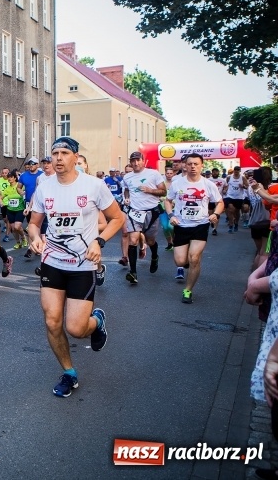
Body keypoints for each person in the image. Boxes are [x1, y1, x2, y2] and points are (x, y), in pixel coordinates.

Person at [28, 136, 125, 397]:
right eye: (54, 153)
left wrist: (99, 241)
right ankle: (69, 373)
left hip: (82, 265)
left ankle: (97, 321)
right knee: (52, 321)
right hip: (52, 263)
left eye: (64, 153)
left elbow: (118, 218)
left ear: (75, 157)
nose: (58, 158)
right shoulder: (44, 188)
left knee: (76, 328)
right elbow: (34, 223)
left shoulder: (94, 186)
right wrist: (36, 237)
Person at [164, 152, 223, 304]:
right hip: (181, 225)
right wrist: (171, 215)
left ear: (202, 166)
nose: (193, 167)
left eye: (196, 164)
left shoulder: (208, 185)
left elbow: (220, 202)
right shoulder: (177, 183)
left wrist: (215, 214)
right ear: (185, 165)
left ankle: (188, 290)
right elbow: (168, 201)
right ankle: (190, 263)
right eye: (190, 164)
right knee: (180, 261)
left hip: (200, 225)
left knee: (194, 258)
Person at [120, 151, 166, 284]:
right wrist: (127, 198)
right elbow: (127, 189)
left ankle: (155, 256)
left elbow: (163, 191)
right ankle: (133, 272)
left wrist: (150, 190)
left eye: (138, 160)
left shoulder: (153, 174)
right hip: (135, 212)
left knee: (151, 241)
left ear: (143, 160)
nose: (135, 163)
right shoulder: (127, 177)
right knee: (133, 240)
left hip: (151, 212)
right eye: (133, 161)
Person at [20, 157, 44, 259]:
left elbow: (37, 191)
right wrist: (22, 193)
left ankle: (39, 245)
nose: (31, 165)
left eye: (33, 164)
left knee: (41, 226)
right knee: (32, 225)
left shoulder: (42, 175)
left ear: (38, 165)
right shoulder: (24, 175)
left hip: (42, 204)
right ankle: (31, 247)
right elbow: (18, 187)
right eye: (30, 164)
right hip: (29, 203)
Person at [223, 166, 247, 232]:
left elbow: (247, 186)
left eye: (237, 170)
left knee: (237, 211)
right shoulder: (229, 177)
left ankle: (236, 223)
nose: (236, 171)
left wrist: (243, 186)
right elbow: (226, 185)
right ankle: (231, 225)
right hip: (230, 196)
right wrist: (225, 190)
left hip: (239, 197)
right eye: (235, 170)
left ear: (239, 171)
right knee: (231, 209)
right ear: (233, 170)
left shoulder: (242, 177)